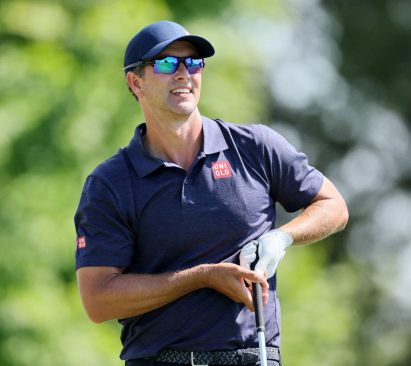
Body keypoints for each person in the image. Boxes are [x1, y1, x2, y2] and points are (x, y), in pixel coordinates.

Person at [74, 20, 348, 366]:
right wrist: (202, 277)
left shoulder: (255, 147)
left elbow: (333, 205)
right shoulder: (110, 183)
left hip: (254, 356)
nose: (183, 73)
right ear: (135, 82)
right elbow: (98, 300)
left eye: (193, 62)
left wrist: (283, 237)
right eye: (166, 63)